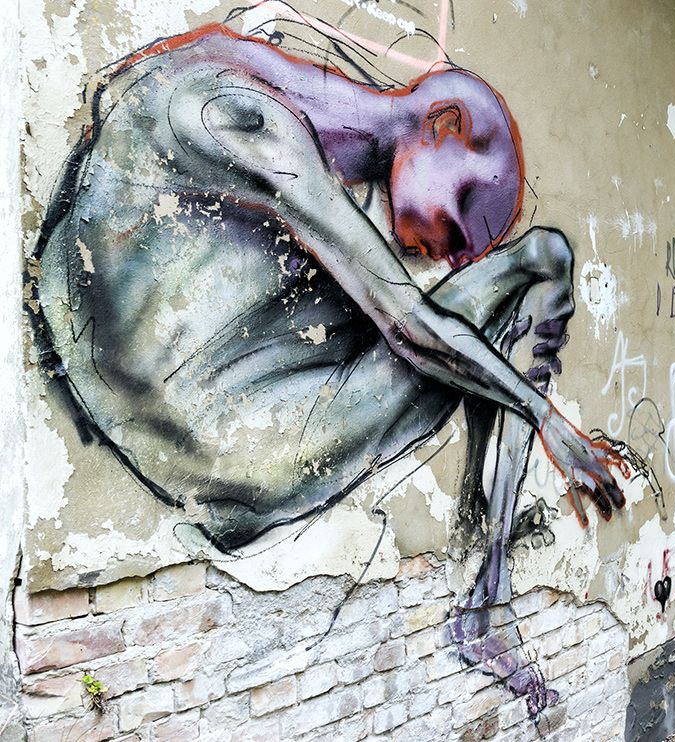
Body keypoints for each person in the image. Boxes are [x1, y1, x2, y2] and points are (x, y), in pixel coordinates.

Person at [33, 21, 627, 716]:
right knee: (544, 261)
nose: (454, 253)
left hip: (170, 405)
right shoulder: (247, 116)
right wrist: (545, 418)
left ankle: (485, 587)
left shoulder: (247, 96)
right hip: (225, 445)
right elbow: (411, 327)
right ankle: (488, 602)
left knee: (423, 312)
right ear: (443, 124)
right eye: (462, 216)